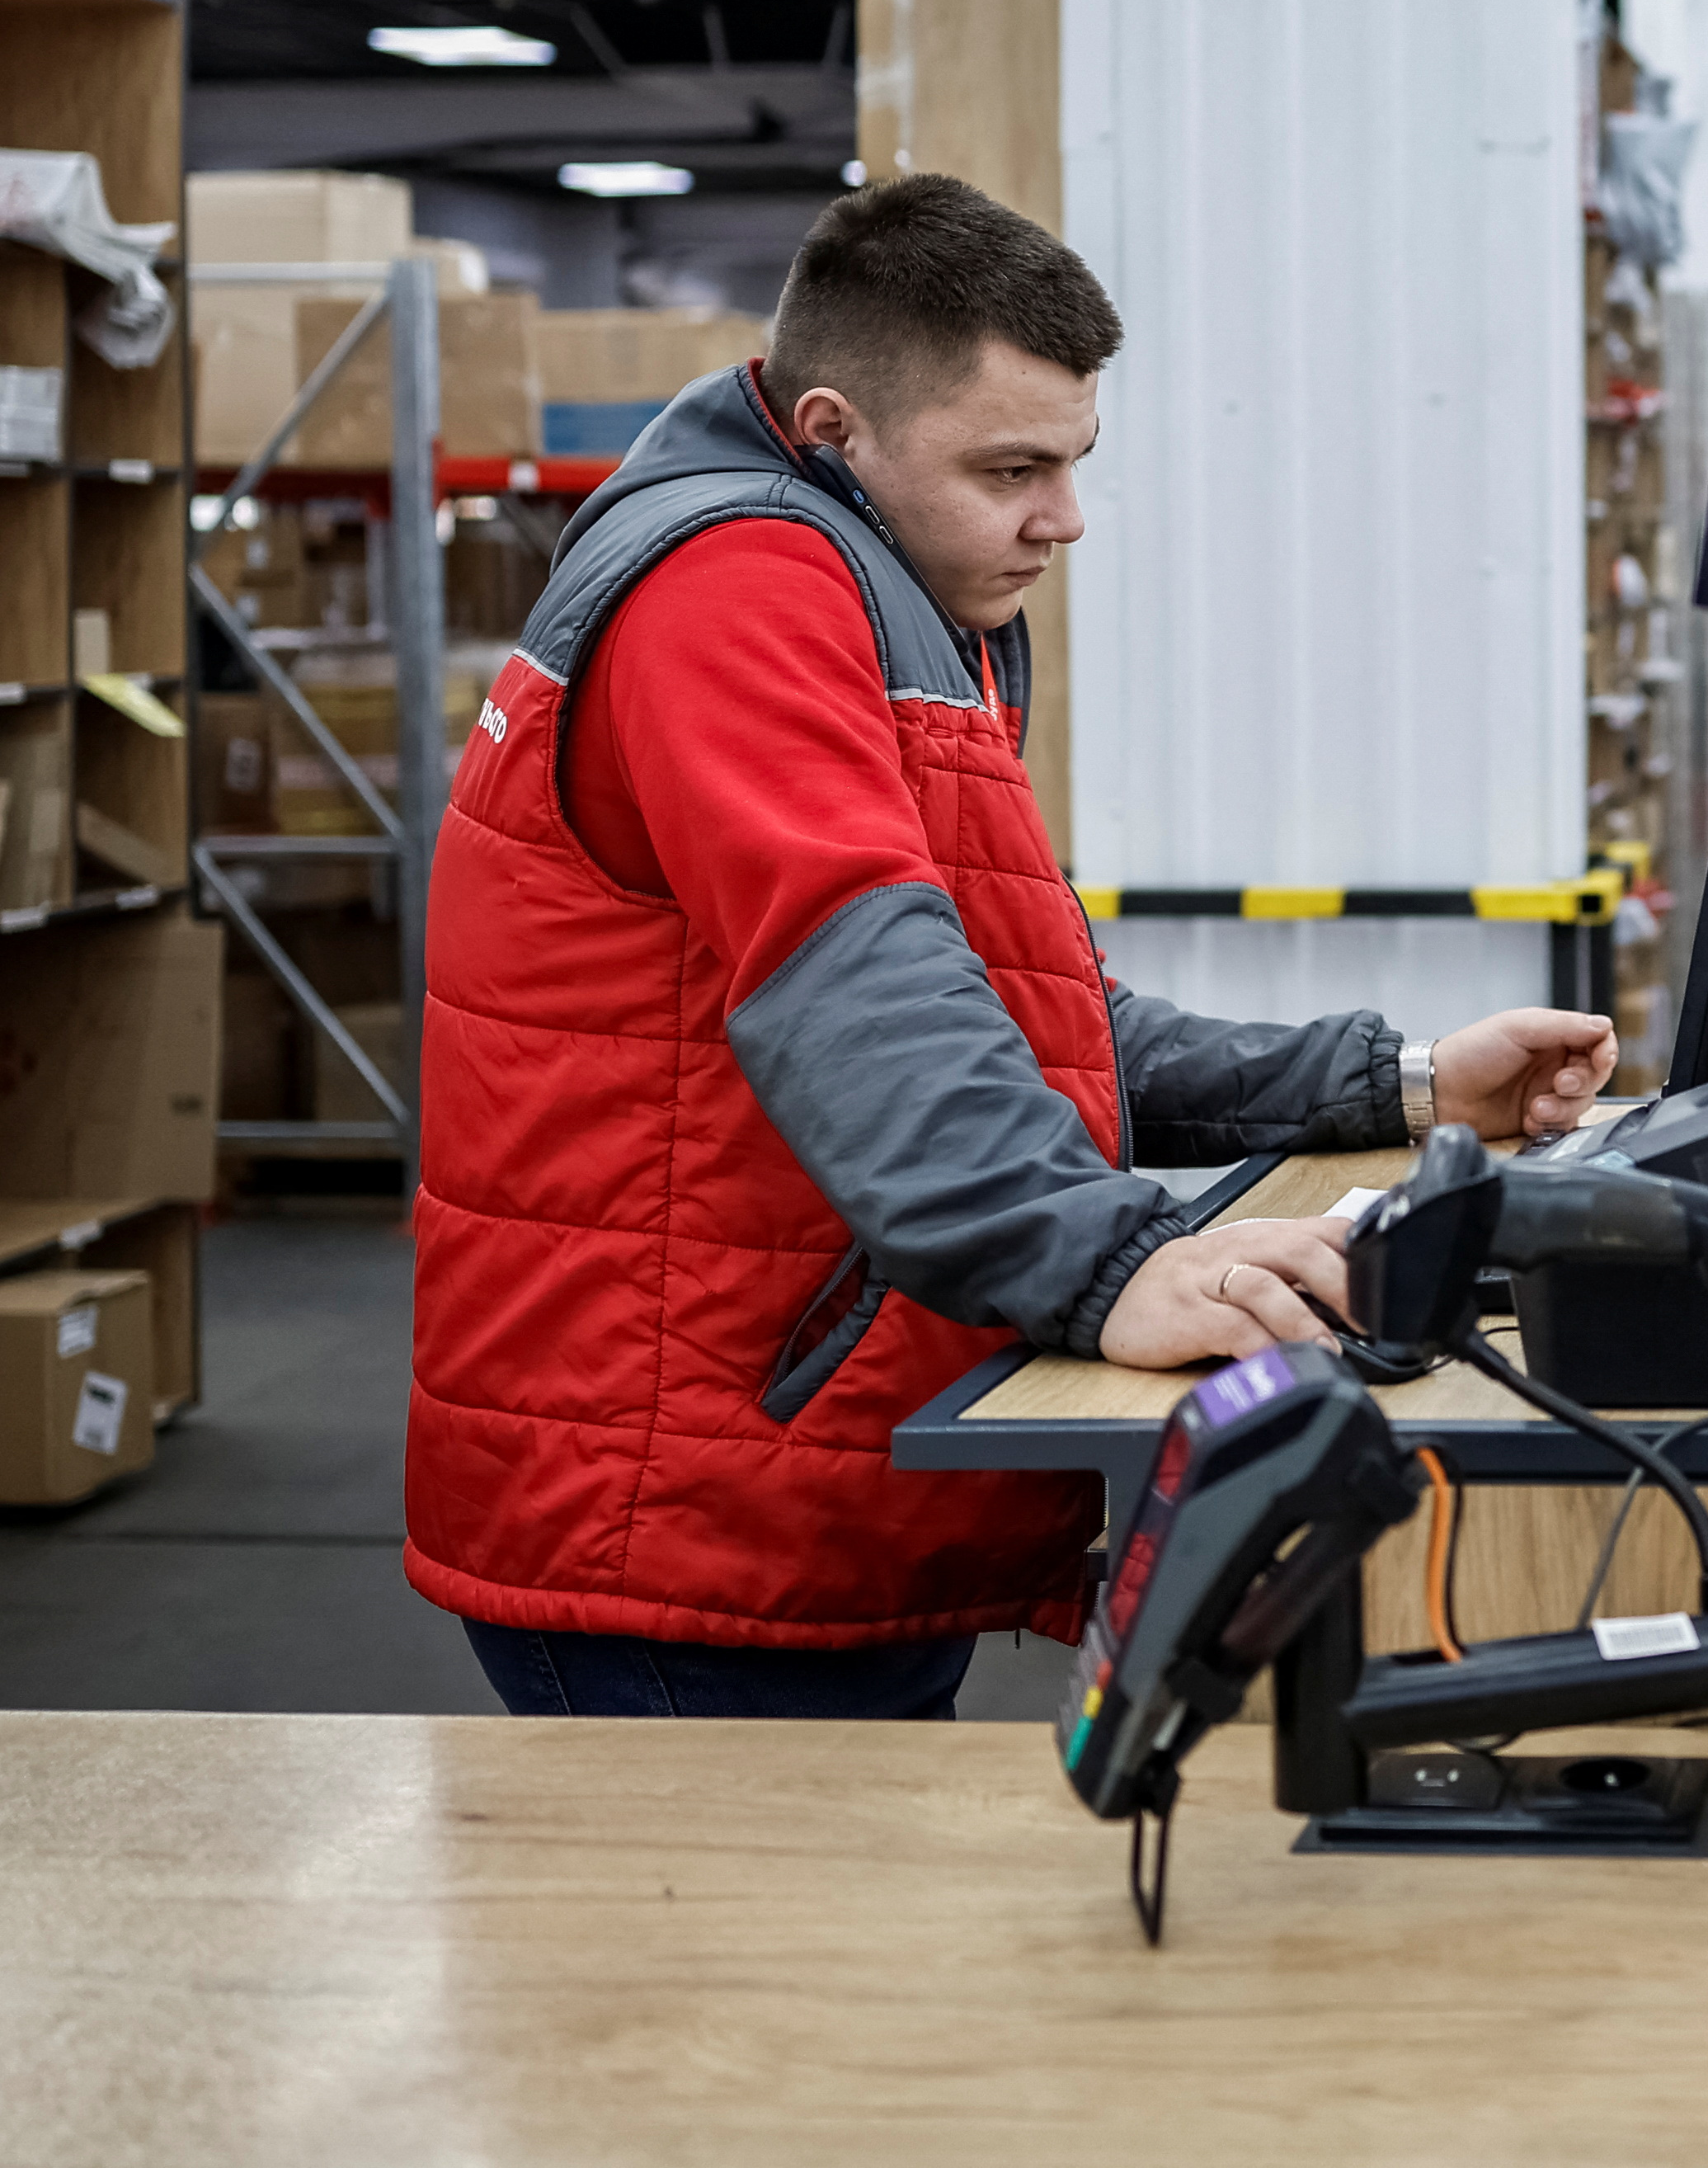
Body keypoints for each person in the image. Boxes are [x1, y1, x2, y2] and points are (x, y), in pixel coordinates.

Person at [403, 173, 1613, 1719]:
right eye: (1011, 468)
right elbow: (863, 981)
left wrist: (1413, 1084)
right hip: (680, 1514)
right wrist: (1106, 1260)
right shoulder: (738, 590)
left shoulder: (888, 588)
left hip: (773, 1479)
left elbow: (1035, 1012)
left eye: (1074, 460)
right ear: (835, 431)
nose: (1065, 516)